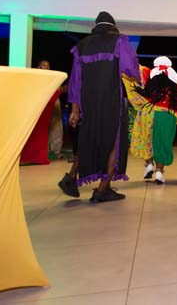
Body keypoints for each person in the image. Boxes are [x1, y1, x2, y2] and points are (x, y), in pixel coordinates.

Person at [58, 11, 140, 202]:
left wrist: (75, 109)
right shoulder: (119, 41)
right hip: (111, 101)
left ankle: (71, 177)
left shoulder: (82, 46)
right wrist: (136, 78)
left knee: (90, 138)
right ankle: (102, 190)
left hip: (88, 103)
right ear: (113, 26)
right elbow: (131, 68)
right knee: (114, 142)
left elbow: (75, 81)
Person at [124, 56, 177, 184]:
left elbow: (132, 73)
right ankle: (159, 172)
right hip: (166, 116)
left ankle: (148, 164)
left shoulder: (146, 77)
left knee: (145, 140)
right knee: (162, 143)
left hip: (147, 114)